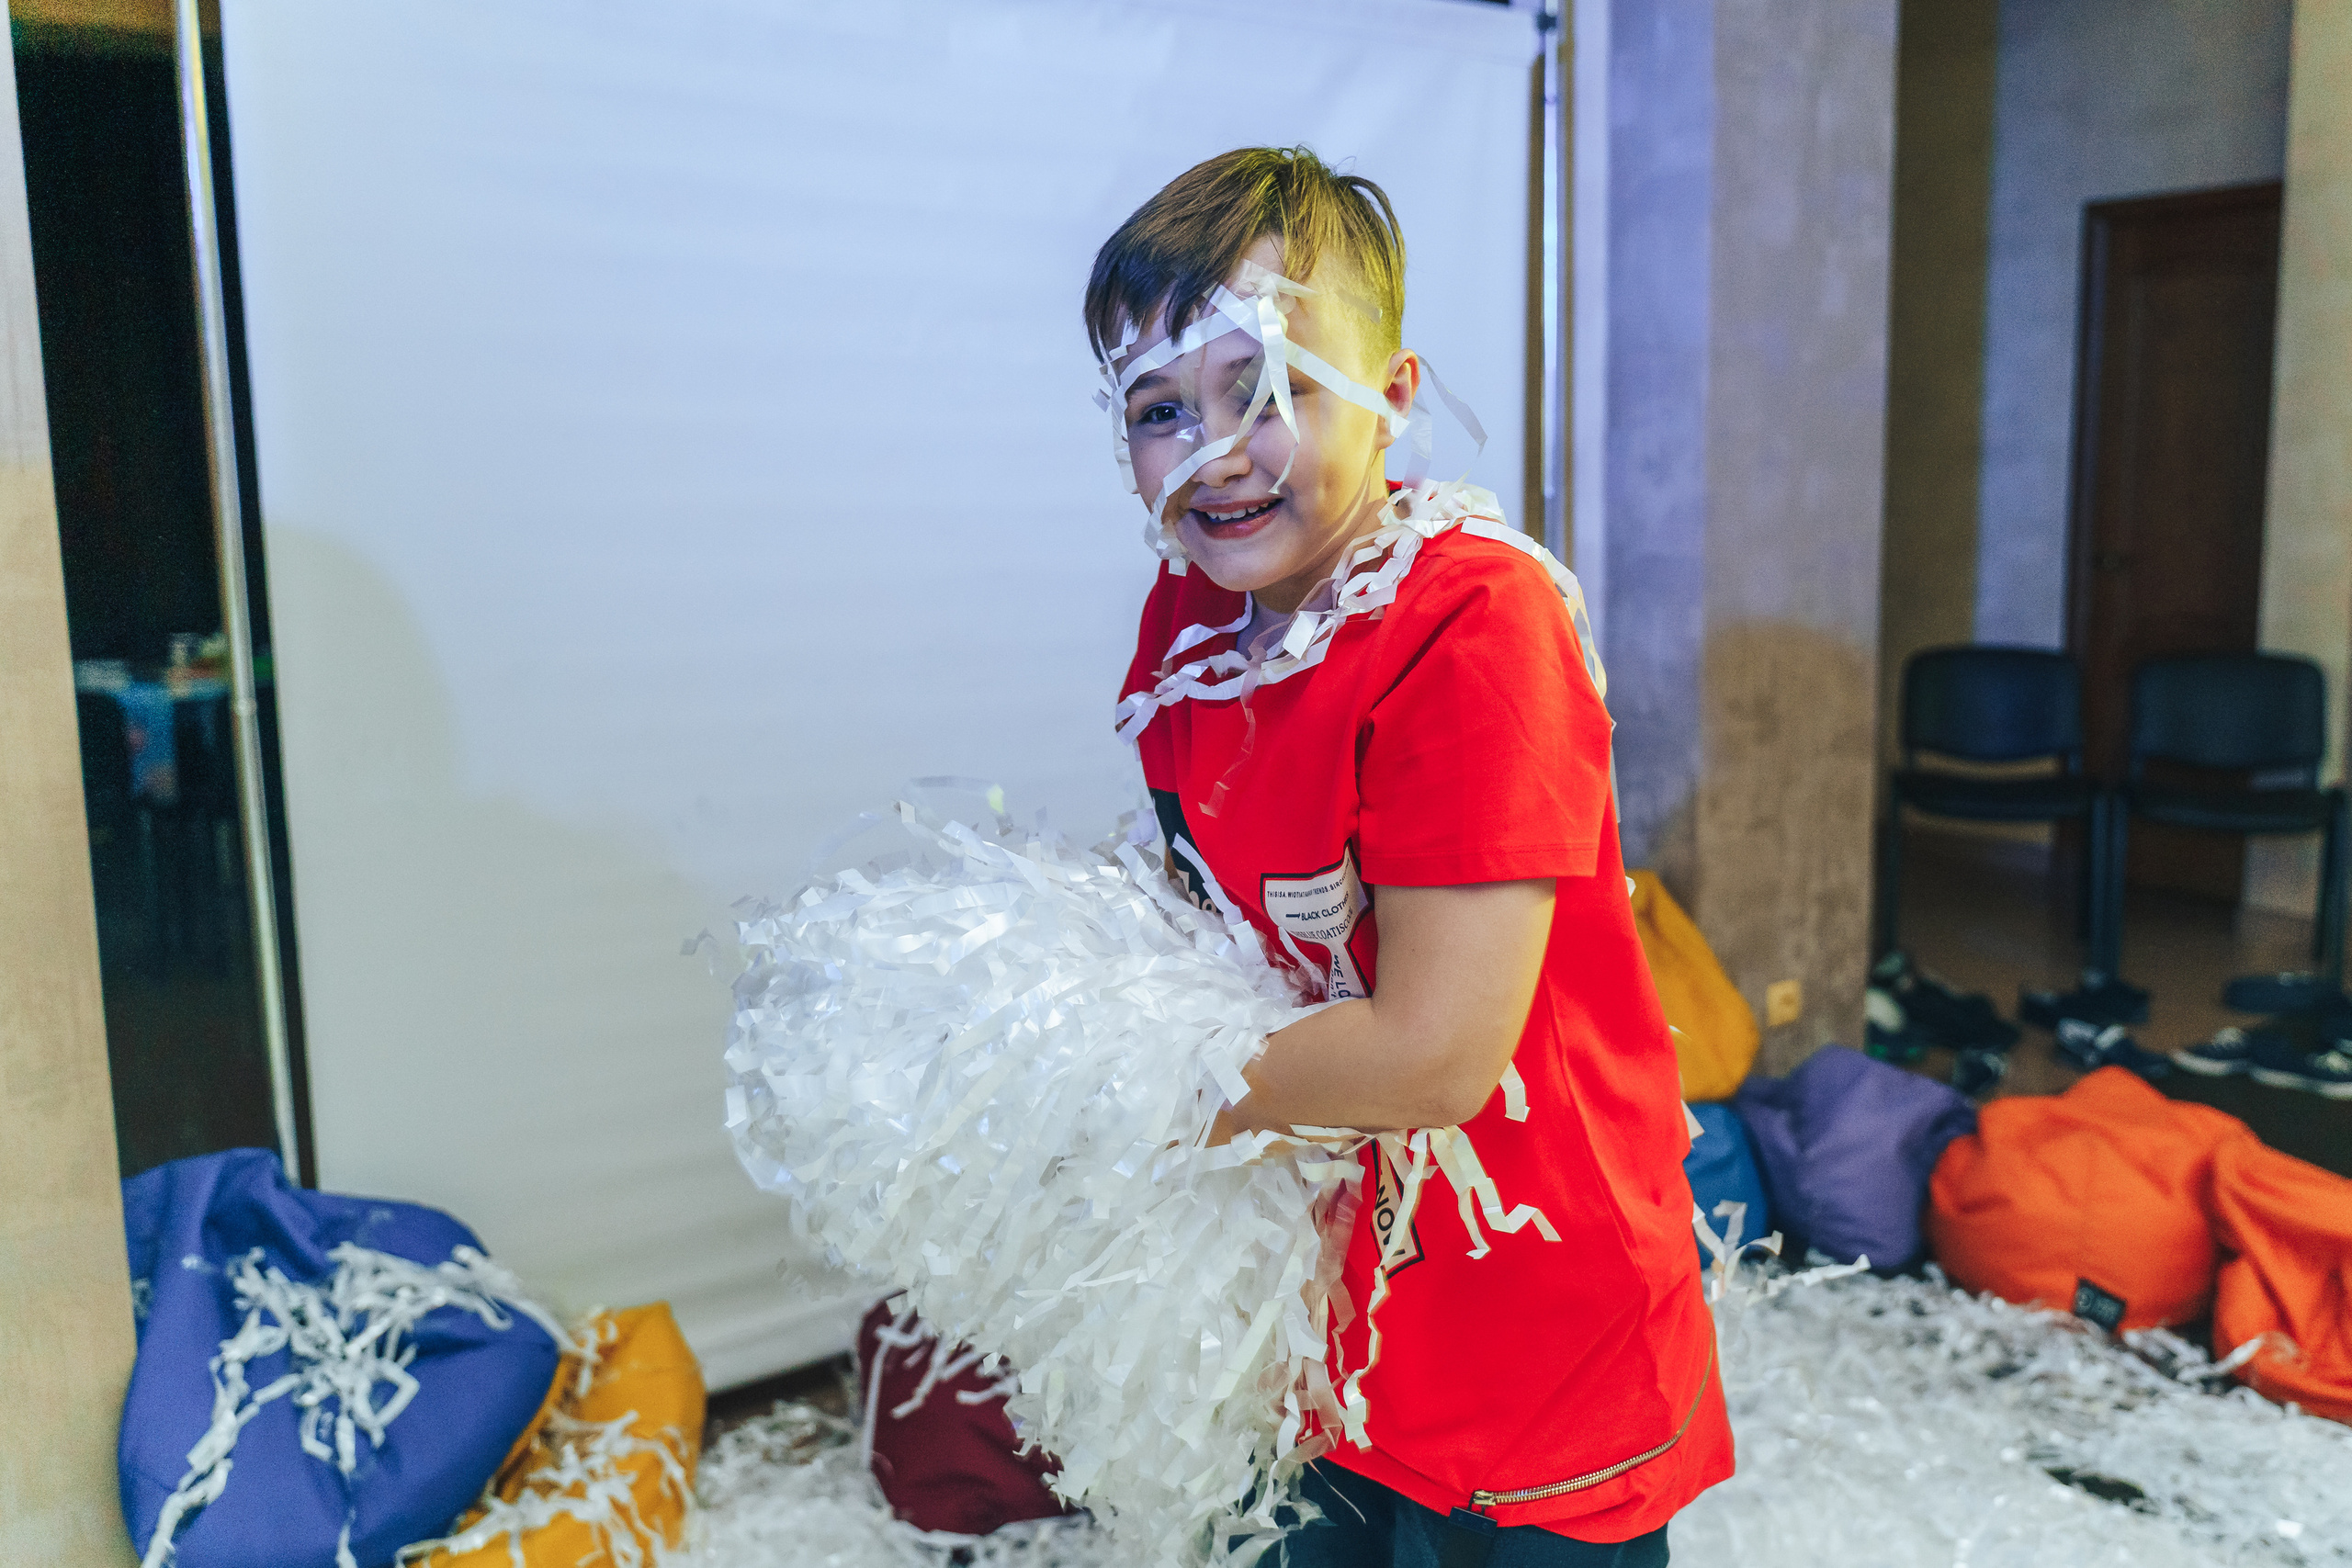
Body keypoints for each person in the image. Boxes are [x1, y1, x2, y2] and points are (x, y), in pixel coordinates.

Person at [1093, 147, 1728, 1567]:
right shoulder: (1189, 619)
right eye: (1158, 409)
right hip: (1308, 1267)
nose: (1217, 451)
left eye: (1270, 388)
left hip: (1525, 1291)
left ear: (1395, 395)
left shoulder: (1475, 623)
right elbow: (1205, 907)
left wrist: (1108, 1093)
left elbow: (1439, 1055)